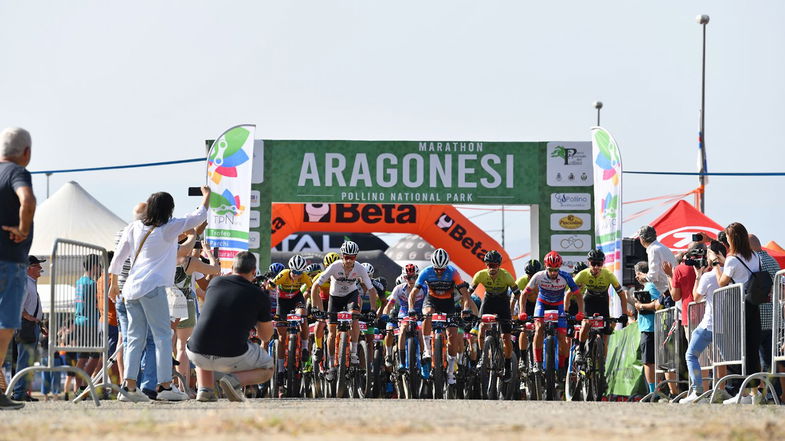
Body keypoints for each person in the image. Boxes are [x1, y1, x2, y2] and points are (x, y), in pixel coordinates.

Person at [108, 187, 210, 402]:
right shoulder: (168, 228)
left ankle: (129, 387)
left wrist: (113, 283)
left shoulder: (134, 227)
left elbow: (118, 257)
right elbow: (199, 216)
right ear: (168, 209)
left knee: (134, 339)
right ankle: (165, 386)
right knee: (164, 336)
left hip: (131, 289)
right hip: (153, 288)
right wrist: (207, 195)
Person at [186, 252, 274, 402]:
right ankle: (233, 380)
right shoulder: (259, 296)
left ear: (232, 268)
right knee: (268, 368)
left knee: (206, 336)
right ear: (254, 272)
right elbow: (265, 337)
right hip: (231, 355)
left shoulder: (215, 283)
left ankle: (205, 389)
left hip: (196, 351)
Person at [0, 127, 35, 410]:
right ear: (26, 152)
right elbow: (28, 200)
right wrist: (23, 229)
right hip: (8, 260)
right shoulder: (16, 173)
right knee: (5, 326)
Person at [409, 248, 478, 386]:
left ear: (446, 265)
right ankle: (427, 350)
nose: (439, 272)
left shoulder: (453, 272)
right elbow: (413, 293)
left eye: (442, 269)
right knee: (427, 314)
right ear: (433, 265)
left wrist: (465, 309)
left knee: (453, 334)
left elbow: (465, 294)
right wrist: (411, 308)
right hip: (432, 300)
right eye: (437, 269)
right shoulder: (426, 272)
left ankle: (451, 371)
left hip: (448, 303)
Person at [311, 241, 377, 379]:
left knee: (354, 317)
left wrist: (373, 309)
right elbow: (315, 286)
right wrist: (314, 307)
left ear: (356, 257)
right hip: (334, 298)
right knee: (331, 333)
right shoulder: (335, 266)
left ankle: (353, 353)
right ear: (342, 256)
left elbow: (371, 290)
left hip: (351, 296)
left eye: (352, 257)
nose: (348, 260)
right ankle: (330, 364)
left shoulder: (359, 268)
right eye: (346, 256)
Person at [113, 202, 159, 399]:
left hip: (122, 294)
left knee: (128, 340)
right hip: (140, 292)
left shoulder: (121, 232)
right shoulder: (148, 234)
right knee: (150, 341)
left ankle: (127, 384)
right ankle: (147, 385)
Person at [717, 222, 764, 404]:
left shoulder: (731, 258)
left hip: (736, 306)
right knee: (751, 349)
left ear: (732, 239)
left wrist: (716, 265)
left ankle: (742, 393)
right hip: (753, 304)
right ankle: (753, 392)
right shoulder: (755, 256)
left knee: (736, 349)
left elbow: (722, 282)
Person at [680, 240, 728, 403]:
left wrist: (698, 275)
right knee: (723, 359)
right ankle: (721, 391)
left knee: (691, 354)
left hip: (709, 325)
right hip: (727, 326)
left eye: (707, 254)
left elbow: (696, 297)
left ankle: (697, 391)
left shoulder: (708, 277)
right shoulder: (730, 274)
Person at [523, 251, 581, 379]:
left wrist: (580, 312)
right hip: (542, 304)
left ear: (560, 267)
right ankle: (537, 363)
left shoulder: (566, 276)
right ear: (545, 267)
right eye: (550, 270)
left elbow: (578, 295)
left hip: (558, 305)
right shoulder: (538, 276)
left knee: (562, 336)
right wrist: (522, 311)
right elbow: (524, 294)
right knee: (538, 328)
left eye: (556, 270)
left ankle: (561, 366)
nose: (553, 273)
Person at [469, 250, 520, 380]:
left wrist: (518, 310)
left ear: (499, 265)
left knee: (506, 338)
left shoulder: (506, 276)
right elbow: (468, 294)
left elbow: (518, 294)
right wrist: (465, 307)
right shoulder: (480, 275)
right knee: (481, 328)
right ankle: (482, 358)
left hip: (503, 302)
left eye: (495, 265)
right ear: (486, 265)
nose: (492, 268)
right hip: (489, 300)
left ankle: (507, 367)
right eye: (489, 265)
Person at [573, 249, 628, 362]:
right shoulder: (583, 274)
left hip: (603, 302)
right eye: (593, 263)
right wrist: (566, 310)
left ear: (603, 263)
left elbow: (622, 294)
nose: (596, 267)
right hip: (589, 301)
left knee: (607, 331)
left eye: (599, 264)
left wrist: (624, 314)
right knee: (586, 324)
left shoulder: (608, 275)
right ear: (589, 263)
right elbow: (569, 293)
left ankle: (601, 364)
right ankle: (580, 349)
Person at [270, 254, 312, 388]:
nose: (296, 275)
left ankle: (305, 347)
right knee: (282, 337)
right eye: (294, 272)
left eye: (299, 272)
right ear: (290, 269)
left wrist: (305, 293)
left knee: (303, 315)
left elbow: (311, 287)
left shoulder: (304, 276)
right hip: (282, 301)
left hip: (296, 298)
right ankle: (281, 370)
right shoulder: (283, 274)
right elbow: (271, 286)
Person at [11, 255, 45, 402]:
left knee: (27, 361)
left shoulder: (29, 282)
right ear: (29, 268)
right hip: (26, 326)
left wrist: (37, 322)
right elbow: (17, 304)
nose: (41, 268)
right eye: (38, 266)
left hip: (31, 325)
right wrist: (28, 317)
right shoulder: (26, 282)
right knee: (24, 360)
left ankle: (22, 392)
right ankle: (19, 393)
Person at [748, 234, 781, 376]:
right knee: (771, 360)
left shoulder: (755, 261)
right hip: (775, 316)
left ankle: (764, 392)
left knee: (759, 359)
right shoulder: (773, 261)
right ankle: (773, 393)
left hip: (760, 314)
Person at [383, 264, 426, 370]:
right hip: (404, 313)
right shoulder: (398, 289)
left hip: (419, 314)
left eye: (414, 277)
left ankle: (424, 357)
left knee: (421, 331)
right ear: (404, 277)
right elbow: (390, 304)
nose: (411, 280)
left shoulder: (424, 287)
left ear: (418, 276)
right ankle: (402, 362)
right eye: (408, 277)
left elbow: (431, 302)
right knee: (402, 329)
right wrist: (385, 314)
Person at [74, 254, 103, 392]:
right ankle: (84, 386)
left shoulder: (79, 281)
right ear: (95, 266)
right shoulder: (92, 284)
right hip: (90, 323)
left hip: (80, 321)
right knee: (95, 356)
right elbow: (98, 304)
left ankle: (78, 387)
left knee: (83, 356)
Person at [633, 261, 661, 394]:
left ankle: (652, 392)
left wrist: (641, 306)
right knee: (651, 361)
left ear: (639, 274)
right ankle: (655, 390)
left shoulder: (650, 286)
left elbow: (657, 304)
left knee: (648, 361)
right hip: (650, 327)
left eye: (636, 275)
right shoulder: (648, 286)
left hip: (650, 328)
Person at [514, 259, 541, 367]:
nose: (532, 277)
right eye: (529, 275)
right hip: (527, 306)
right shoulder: (521, 281)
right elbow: (513, 299)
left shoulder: (543, 280)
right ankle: (523, 359)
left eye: (534, 274)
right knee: (524, 330)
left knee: (541, 329)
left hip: (539, 305)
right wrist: (513, 315)